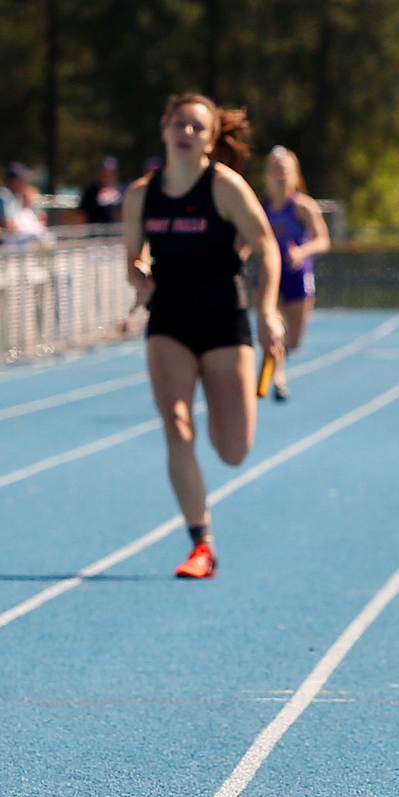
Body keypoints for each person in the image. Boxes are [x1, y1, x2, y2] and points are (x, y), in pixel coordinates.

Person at [121, 93, 283, 579]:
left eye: (196, 126)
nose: (185, 132)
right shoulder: (140, 195)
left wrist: (268, 311)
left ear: (211, 140)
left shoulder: (225, 187)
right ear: (164, 129)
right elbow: (132, 258)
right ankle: (201, 543)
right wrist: (139, 276)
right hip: (168, 321)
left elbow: (267, 249)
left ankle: (222, 402)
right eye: (179, 123)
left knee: (232, 450)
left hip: (223, 323)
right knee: (175, 424)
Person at [260, 145, 330, 400]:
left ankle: (281, 356)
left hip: (298, 278)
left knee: (295, 340)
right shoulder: (259, 208)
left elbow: (323, 240)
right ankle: (278, 379)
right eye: (274, 169)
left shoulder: (303, 207)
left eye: (284, 170)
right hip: (271, 278)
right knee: (273, 328)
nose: (279, 175)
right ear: (266, 174)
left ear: (294, 174)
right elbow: (245, 240)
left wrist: (302, 251)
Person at [77, 156, 123, 224]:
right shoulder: (91, 191)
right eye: (104, 171)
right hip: (94, 231)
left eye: (110, 172)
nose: (107, 175)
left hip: (116, 232)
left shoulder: (122, 190)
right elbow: (82, 214)